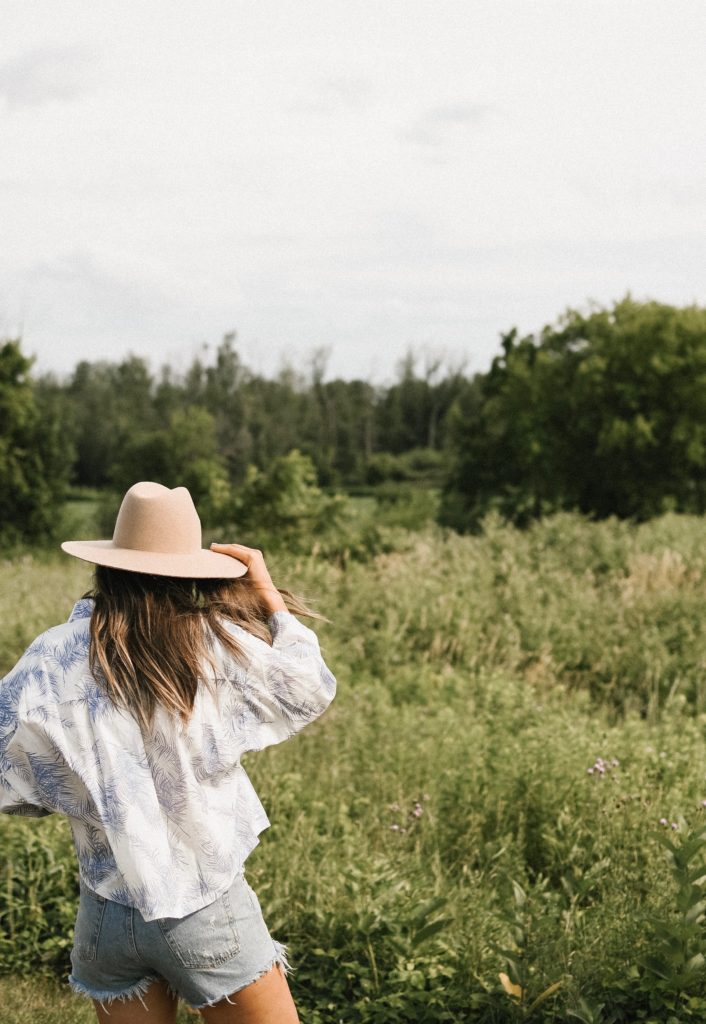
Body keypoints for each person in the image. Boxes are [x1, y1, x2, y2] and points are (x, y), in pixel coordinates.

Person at [0, 481, 337, 1023]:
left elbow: (8, 772)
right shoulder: (214, 642)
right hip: (203, 906)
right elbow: (309, 686)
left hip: (105, 913)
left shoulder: (53, 654)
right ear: (192, 570)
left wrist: (80, 790)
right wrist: (267, 595)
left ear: (108, 564)